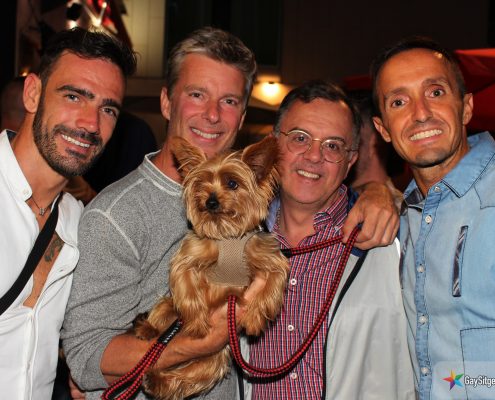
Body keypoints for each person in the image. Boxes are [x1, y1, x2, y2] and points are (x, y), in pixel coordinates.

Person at [62, 27, 398, 399]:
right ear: (166, 102)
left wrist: (378, 191)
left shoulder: (252, 213)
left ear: (242, 117)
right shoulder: (116, 216)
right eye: (197, 95)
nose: (212, 115)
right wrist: (201, 342)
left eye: (229, 101)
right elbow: (86, 358)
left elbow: (234, 286)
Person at [245, 81, 414, 399]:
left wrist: (382, 192)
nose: (314, 156)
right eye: (300, 138)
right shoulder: (236, 240)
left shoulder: (388, 240)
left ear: (351, 161)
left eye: (333, 146)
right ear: (273, 145)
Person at [0, 27, 136, 400]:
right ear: (33, 93)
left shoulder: (81, 222)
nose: (91, 124)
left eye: (107, 109)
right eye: (74, 96)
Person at [372, 37, 495, 400]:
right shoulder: (406, 217)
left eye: (436, 92)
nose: (421, 113)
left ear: (466, 107)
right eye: (399, 102)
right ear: (383, 129)